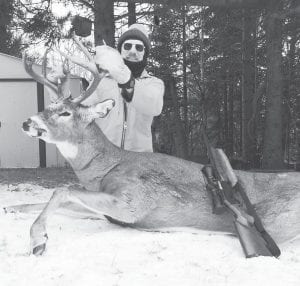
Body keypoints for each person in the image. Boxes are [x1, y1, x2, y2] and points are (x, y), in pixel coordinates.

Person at [83, 23, 165, 152]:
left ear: (145, 53)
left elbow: (154, 106)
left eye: (139, 47)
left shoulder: (154, 83)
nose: (133, 51)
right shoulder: (102, 81)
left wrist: (127, 81)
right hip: (106, 158)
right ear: (120, 50)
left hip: (139, 161)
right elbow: (81, 113)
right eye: (127, 46)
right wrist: (61, 88)